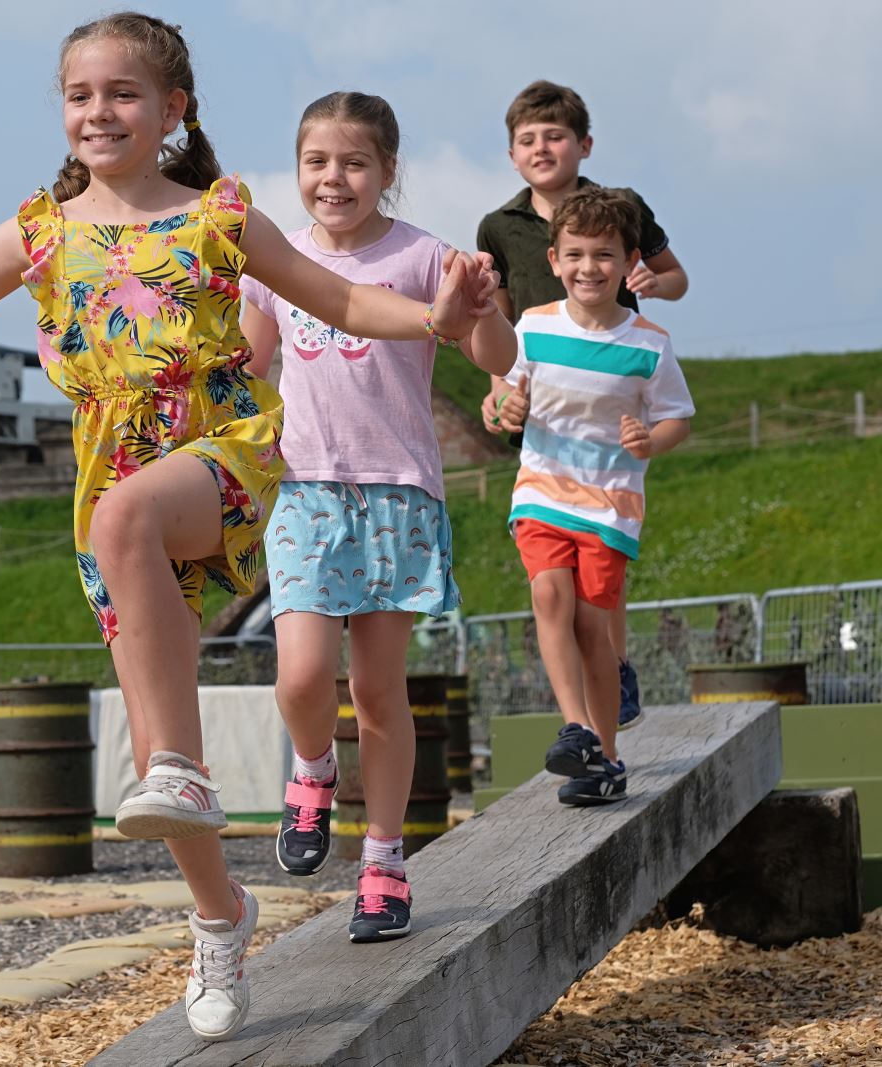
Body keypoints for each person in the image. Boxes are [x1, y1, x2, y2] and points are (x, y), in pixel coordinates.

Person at [0, 12, 497, 1041]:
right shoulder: (40, 230)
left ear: (172, 110)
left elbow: (343, 302)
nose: (100, 111)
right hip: (109, 493)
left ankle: (204, 778)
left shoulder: (220, 219)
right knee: (154, 758)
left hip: (217, 453)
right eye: (80, 95)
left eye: (123, 93)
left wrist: (437, 320)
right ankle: (221, 916)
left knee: (137, 527)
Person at [238, 92, 516, 943]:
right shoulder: (274, 260)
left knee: (378, 690)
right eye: (317, 162)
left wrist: (484, 303)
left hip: (397, 491)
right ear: (298, 171)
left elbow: (496, 360)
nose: (335, 178)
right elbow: (246, 359)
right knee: (299, 676)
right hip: (306, 490)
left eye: (354, 162)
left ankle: (386, 864)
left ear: (388, 172)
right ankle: (314, 771)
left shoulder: (426, 258)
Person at [477, 80, 690, 731]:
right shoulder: (499, 225)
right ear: (513, 153)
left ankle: (615, 668)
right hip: (544, 396)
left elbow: (677, 278)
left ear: (583, 144)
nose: (543, 148)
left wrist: (656, 281)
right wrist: (497, 392)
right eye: (528, 139)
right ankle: (580, 710)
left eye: (556, 136)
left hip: (611, 394)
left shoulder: (622, 206)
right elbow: (498, 323)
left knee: (600, 567)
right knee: (552, 574)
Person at [503, 187, 693, 806]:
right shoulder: (532, 328)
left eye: (604, 255)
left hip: (610, 504)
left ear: (629, 260)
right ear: (555, 260)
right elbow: (503, 400)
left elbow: (677, 420)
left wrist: (649, 442)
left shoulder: (649, 343)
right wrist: (504, 408)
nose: (590, 268)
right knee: (549, 595)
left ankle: (607, 758)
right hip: (541, 492)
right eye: (576, 255)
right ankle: (577, 728)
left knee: (594, 630)